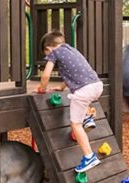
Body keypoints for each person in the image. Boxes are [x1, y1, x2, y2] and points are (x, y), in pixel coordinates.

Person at [37, 31, 102, 173]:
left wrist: (42, 89)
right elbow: (73, 72)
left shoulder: (54, 53)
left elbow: (46, 74)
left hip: (84, 90)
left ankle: (89, 156)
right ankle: (87, 117)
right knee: (81, 100)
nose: (48, 56)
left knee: (75, 124)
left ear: (48, 48)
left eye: (46, 54)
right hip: (97, 85)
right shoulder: (72, 50)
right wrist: (60, 87)